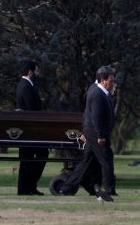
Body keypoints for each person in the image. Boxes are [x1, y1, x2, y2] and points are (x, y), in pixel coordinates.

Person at [58, 66, 117, 201]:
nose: (113, 83)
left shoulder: (97, 90)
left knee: (86, 162)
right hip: (97, 134)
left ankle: (67, 188)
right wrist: (100, 135)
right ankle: (109, 189)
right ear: (103, 80)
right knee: (106, 159)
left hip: (92, 132)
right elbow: (95, 117)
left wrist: (86, 131)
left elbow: (87, 114)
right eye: (111, 80)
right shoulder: (97, 93)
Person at [15, 60, 48, 195]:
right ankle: (27, 186)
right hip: (30, 130)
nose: (38, 73)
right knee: (38, 155)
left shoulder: (24, 85)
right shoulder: (26, 87)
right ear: (30, 72)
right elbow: (32, 110)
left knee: (28, 158)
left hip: (28, 129)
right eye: (36, 71)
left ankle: (27, 187)